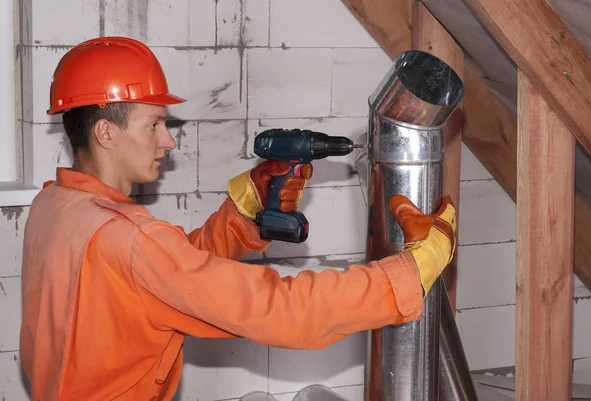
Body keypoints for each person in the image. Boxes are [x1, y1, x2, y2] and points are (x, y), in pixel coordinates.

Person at [19, 36, 457, 400]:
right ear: (105, 132)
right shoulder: (129, 239)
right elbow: (278, 309)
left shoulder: (55, 208)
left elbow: (165, 279)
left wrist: (243, 213)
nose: (168, 141)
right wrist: (409, 272)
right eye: (154, 124)